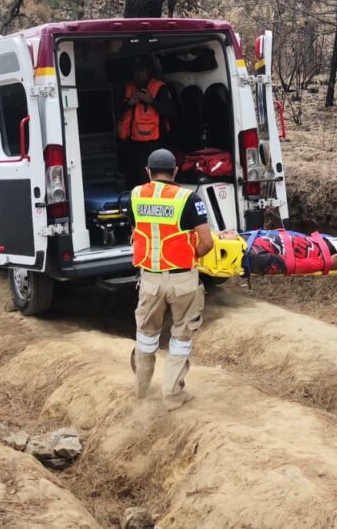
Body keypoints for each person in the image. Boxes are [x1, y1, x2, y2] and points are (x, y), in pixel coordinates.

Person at [130, 149, 215, 410]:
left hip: (150, 279)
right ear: (176, 172)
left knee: (146, 335)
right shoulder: (188, 198)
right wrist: (191, 257)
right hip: (182, 279)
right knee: (181, 336)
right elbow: (207, 242)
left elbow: (138, 231)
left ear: (148, 171)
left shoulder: (136, 195)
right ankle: (173, 395)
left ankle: (142, 391)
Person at [198, 229, 337, 278]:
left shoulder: (246, 238)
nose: (224, 231)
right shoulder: (254, 259)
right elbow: (291, 267)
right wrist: (326, 263)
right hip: (327, 253)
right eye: (223, 236)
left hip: (317, 241)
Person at [117, 57, 175, 187]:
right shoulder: (128, 88)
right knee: (132, 178)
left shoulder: (160, 88)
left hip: (154, 144)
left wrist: (151, 101)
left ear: (149, 71)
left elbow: (171, 111)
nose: (138, 74)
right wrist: (129, 103)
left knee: (149, 179)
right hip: (132, 143)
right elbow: (116, 109)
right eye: (136, 71)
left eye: (141, 70)